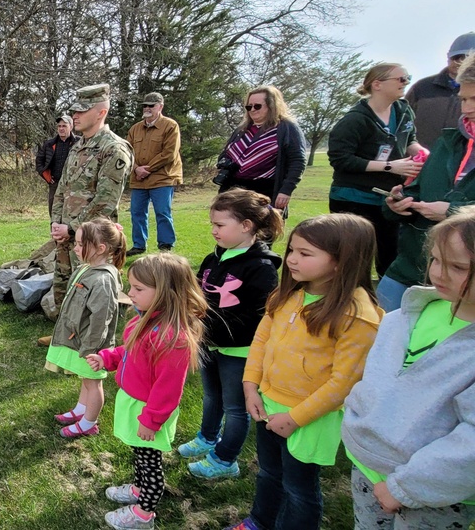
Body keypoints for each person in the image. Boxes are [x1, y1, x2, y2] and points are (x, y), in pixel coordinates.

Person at [226, 213, 383, 530]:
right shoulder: (288, 294)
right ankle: (260, 521)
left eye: (305, 254)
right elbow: (261, 340)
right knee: (269, 473)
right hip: (268, 404)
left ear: (342, 261)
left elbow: (344, 383)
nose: (292, 260)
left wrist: (295, 418)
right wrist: (250, 386)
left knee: (299, 489)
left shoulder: (358, 315)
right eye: (292, 250)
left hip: (310, 419)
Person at [342, 208, 475, 529]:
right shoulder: (402, 317)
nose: (438, 274)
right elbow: (373, 380)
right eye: (435, 260)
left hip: (436, 494)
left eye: (457, 267)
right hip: (367, 464)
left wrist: (405, 488)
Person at [85, 253, 207, 530]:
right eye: (131, 286)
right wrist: (108, 358)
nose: (131, 293)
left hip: (149, 410)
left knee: (150, 462)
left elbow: (168, 387)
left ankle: (144, 513)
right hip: (135, 403)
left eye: (139, 289)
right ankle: (140, 490)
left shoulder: (171, 337)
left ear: (166, 292)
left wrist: (152, 420)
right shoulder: (143, 320)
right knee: (139, 454)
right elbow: (131, 353)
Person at [179, 189, 284, 480]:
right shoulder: (213, 259)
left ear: (247, 226)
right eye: (212, 224)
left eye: (220, 225)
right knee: (212, 397)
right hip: (210, 344)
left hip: (240, 350)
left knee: (236, 407)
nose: (213, 230)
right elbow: (198, 295)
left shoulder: (261, 268)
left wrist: (212, 328)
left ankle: (226, 460)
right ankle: (208, 437)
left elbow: (257, 316)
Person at [377, 54, 475, 311]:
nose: (466, 109)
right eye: (463, 99)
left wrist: (452, 212)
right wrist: (399, 203)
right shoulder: (447, 143)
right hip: (408, 270)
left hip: (462, 284)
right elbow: (418, 189)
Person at [328, 63, 426, 277]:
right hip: (353, 198)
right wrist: (390, 166)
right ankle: (347, 303)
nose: (406, 83)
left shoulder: (403, 110)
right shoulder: (354, 119)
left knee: (389, 256)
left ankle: (383, 305)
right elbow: (340, 159)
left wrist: (424, 154)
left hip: (388, 199)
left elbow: (410, 140)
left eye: (407, 77)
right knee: (354, 261)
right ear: (377, 84)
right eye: (400, 79)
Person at [49, 83, 133, 317]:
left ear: (101, 112)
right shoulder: (78, 146)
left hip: (92, 237)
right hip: (66, 233)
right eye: (74, 111)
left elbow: (105, 202)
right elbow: (61, 188)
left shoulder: (114, 149)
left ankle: (87, 339)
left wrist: (74, 228)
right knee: (64, 283)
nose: (75, 115)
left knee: (89, 287)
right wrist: (56, 223)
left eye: (82, 111)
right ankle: (63, 330)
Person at [45, 218, 127, 438]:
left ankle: (90, 422)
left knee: (93, 383)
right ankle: (81, 409)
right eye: (77, 242)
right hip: (80, 338)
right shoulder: (87, 268)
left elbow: (102, 317)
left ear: (101, 248)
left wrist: (92, 348)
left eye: (81, 244)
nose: (76, 247)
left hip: (92, 345)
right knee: (86, 379)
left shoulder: (103, 279)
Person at [217, 86, 307, 217]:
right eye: (249, 107)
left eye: (257, 106)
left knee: (261, 233)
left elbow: (297, 161)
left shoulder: (287, 128)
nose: (252, 110)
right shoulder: (242, 130)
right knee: (230, 232)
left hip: (264, 191)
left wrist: (286, 190)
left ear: (272, 106)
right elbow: (226, 154)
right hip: (233, 189)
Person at [126, 92, 183, 255]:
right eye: (145, 105)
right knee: (136, 212)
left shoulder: (170, 126)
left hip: (162, 177)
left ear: (161, 106)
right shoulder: (135, 128)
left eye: (152, 105)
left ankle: (166, 245)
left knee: (162, 212)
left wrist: (147, 169)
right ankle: (138, 245)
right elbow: (126, 152)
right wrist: (136, 168)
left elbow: (169, 153)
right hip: (138, 178)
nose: (148, 108)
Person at [407, 32, 475, 149]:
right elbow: (403, 123)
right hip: (421, 160)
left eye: (464, 57)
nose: (457, 62)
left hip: (462, 159)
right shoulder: (422, 87)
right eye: (454, 57)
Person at [36, 115, 80, 217]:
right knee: (54, 213)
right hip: (55, 184)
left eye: (64, 126)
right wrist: (46, 176)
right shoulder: (49, 144)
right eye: (59, 126)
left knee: (73, 214)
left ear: (71, 126)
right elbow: (39, 161)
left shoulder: (80, 142)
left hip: (74, 185)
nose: (61, 128)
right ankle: (55, 232)